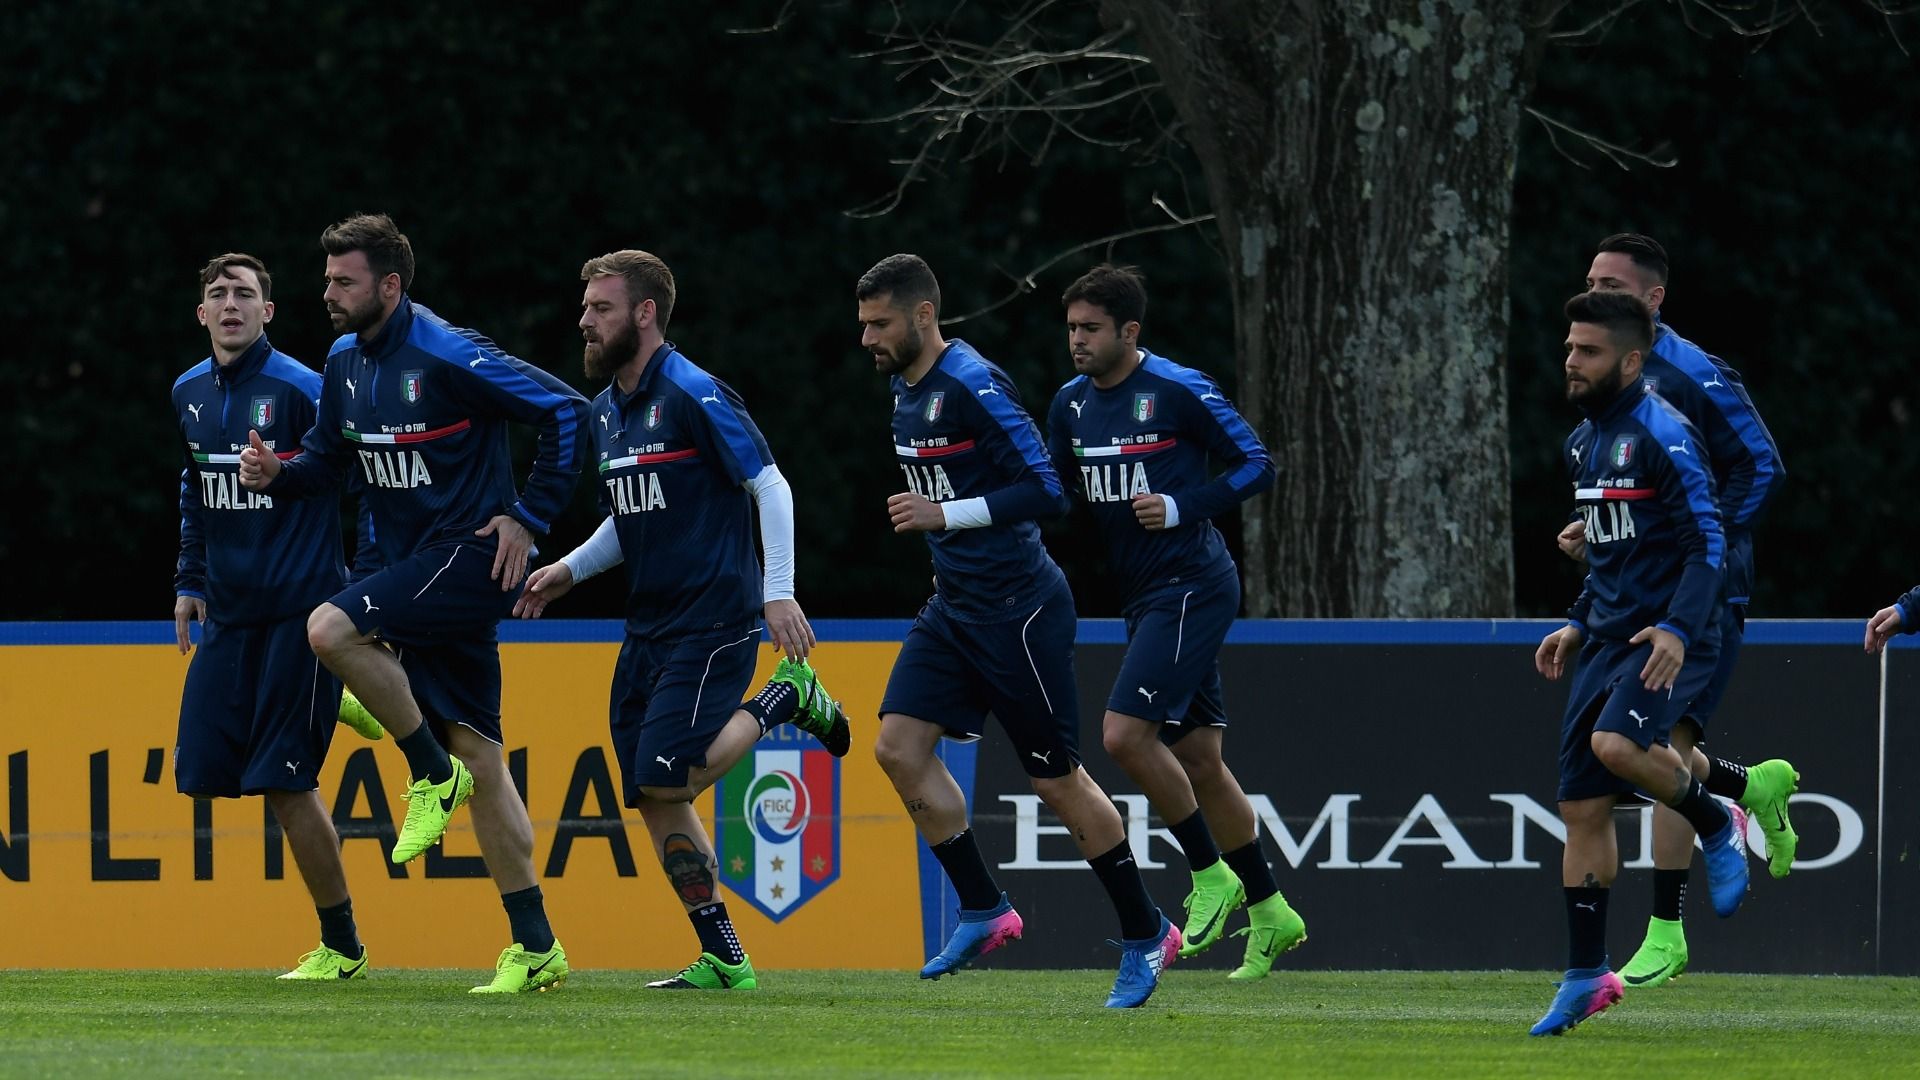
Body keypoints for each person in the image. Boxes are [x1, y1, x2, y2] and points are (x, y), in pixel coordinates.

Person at [238, 213, 590, 993]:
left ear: (390, 286)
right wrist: (279, 472)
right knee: (485, 759)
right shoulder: (340, 360)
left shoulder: (448, 352)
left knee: (327, 630)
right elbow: (328, 461)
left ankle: (425, 771)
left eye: (344, 281)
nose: (327, 293)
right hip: (411, 570)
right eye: (327, 278)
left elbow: (569, 412)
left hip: (466, 559)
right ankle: (537, 947)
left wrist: (528, 520)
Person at [514, 249, 851, 991]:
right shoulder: (606, 412)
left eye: (601, 308)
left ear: (644, 314)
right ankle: (726, 956)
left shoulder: (694, 392)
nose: (585, 321)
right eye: (585, 308)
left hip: (714, 621)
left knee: (671, 778)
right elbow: (624, 521)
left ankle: (785, 699)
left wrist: (779, 591)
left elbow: (769, 484)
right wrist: (570, 568)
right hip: (648, 628)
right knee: (650, 792)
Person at [856, 253, 1180, 1009]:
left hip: (1020, 612)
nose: (867, 337)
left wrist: (945, 514)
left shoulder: (973, 382)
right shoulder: (905, 397)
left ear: (925, 316)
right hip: (953, 609)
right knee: (897, 748)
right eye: (863, 323)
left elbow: (1044, 489)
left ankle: (1146, 932)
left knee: (1054, 780)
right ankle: (984, 908)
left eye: (881, 323)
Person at [1042, 264, 1305, 980]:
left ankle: (1209, 876)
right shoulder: (1068, 405)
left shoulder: (1178, 390)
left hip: (1192, 584)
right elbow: (1055, 492)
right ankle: (1273, 911)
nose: (1077, 341)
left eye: (1090, 328)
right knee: (1200, 760)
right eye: (1071, 328)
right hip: (1143, 595)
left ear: (1130, 331)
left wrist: (1184, 504)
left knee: (1125, 736)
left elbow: (1258, 464)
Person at [1558, 233, 1798, 988]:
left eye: (1615, 284)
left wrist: (1704, 550)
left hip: (1700, 591)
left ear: (1654, 300)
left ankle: (1666, 928)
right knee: (1651, 748)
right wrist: (1601, 524)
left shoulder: (1693, 373)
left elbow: (1762, 464)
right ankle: (1746, 787)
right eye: (1592, 277)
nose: (1597, 289)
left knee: (1659, 740)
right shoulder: (1599, 371)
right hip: (1636, 591)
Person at [1529, 290, 1750, 1036]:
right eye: (1568, 347)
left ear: (1630, 359)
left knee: (1617, 747)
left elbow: (1709, 545)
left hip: (1672, 636)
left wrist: (1679, 630)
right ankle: (1588, 975)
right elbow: (1618, 557)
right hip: (1608, 635)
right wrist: (1575, 623)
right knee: (1582, 810)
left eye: (1588, 351)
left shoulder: (1665, 432)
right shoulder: (1582, 444)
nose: (1571, 359)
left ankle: (1714, 818)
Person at [173, 252, 369, 980]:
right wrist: (190, 577)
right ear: (201, 314)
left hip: (299, 611)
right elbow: (195, 484)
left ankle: (342, 946)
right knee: (201, 771)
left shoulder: (302, 389)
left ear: (268, 312)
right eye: (217, 293)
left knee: (285, 785)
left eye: (244, 294)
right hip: (229, 615)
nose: (230, 304)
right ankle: (345, 698)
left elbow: (359, 474)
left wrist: (363, 597)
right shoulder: (187, 391)